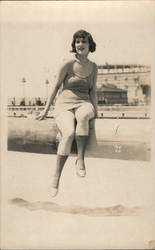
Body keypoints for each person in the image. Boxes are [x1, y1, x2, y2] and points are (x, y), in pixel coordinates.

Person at [36, 29, 98, 197]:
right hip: (64, 104)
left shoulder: (93, 67)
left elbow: (92, 91)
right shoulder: (67, 64)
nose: (80, 45)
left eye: (83, 41)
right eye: (77, 42)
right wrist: (45, 110)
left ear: (89, 44)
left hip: (84, 103)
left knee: (84, 116)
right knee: (69, 133)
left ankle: (80, 159)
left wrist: (96, 110)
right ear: (74, 45)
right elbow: (56, 87)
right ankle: (56, 176)